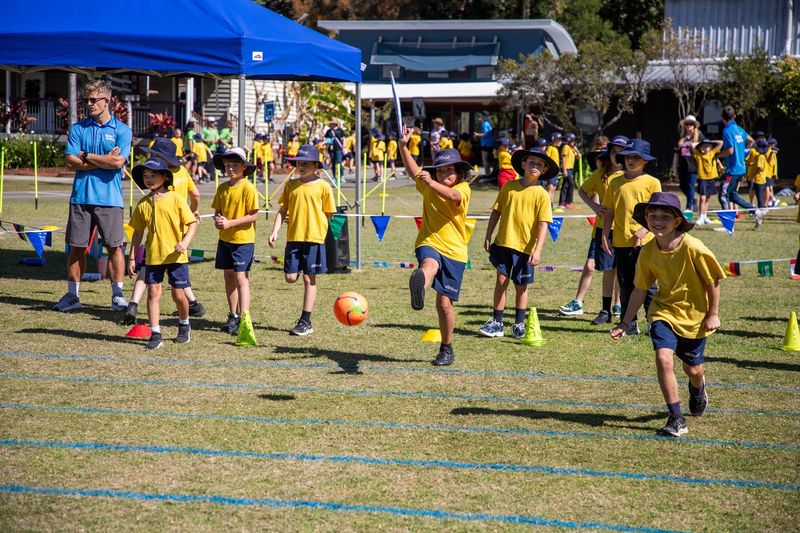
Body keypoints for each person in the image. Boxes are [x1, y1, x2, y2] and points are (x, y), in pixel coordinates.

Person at [611, 192, 724, 437]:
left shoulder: (693, 247)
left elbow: (713, 281)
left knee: (693, 370)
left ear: (677, 221)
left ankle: (698, 387)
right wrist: (625, 322)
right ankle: (676, 418)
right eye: (652, 216)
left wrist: (713, 314)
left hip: (694, 316)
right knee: (663, 358)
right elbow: (640, 289)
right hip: (663, 311)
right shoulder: (647, 251)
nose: (657, 221)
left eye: (665, 216)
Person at [54, 80, 132, 313]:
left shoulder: (122, 130)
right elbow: (71, 161)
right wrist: (104, 159)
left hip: (110, 200)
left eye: (93, 100)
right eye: (86, 100)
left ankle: (118, 296)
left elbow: (117, 162)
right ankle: (72, 296)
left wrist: (86, 155)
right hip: (81, 198)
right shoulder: (78, 129)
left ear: (106, 101)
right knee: (76, 248)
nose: (88, 104)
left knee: (114, 248)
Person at [399, 129, 472, 366]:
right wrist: (403, 147)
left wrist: (430, 181)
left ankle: (446, 348)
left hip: (455, 251)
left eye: (449, 170)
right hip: (429, 241)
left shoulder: (464, 189)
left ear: (459, 172)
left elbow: (453, 196)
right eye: (439, 170)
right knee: (429, 264)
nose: (443, 174)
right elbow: (413, 172)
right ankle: (420, 286)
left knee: (444, 304)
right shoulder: (428, 185)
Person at [122, 138, 205, 324]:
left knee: (164, 273)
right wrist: (192, 211)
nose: (151, 156)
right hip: (177, 229)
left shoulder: (164, 179)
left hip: (171, 231)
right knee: (164, 274)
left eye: (154, 153)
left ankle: (135, 303)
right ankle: (191, 304)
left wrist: (189, 217)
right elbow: (196, 195)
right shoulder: (180, 172)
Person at [479, 147, 556, 339]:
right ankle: (497, 322)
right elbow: (496, 212)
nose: (535, 166)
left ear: (544, 170)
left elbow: (543, 224)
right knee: (501, 281)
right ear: (523, 164)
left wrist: (538, 250)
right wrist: (488, 235)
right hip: (503, 243)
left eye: (540, 164)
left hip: (525, 249)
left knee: (521, 286)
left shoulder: (542, 194)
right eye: (531, 162)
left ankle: (519, 324)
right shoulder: (508, 187)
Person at [127, 158, 199, 349]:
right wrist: (132, 256)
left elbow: (192, 223)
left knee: (178, 295)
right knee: (153, 293)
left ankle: (184, 324)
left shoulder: (175, 199)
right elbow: (138, 232)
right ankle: (155, 333)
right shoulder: (143, 204)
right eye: (145, 176)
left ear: (164, 177)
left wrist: (185, 242)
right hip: (153, 257)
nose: (148, 179)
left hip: (176, 256)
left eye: (153, 175)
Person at [269, 144, 336, 336]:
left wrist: (313, 222)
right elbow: (283, 210)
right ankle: (298, 269)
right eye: (299, 163)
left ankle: (305, 321)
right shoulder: (291, 185)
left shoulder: (323, 186)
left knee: (309, 278)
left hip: (314, 238)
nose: (302, 166)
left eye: (306, 163)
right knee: (290, 278)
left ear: (316, 165)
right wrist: (275, 231)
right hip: (293, 238)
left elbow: (329, 214)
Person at [601, 139, 662, 335]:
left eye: (636, 157)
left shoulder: (652, 182)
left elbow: (658, 212)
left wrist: (645, 230)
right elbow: (609, 211)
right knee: (626, 284)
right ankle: (629, 323)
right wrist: (605, 234)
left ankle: (654, 322)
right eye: (628, 156)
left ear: (645, 161)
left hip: (646, 243)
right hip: (621, 242)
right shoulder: (615, 182)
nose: (631, 160)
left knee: (648, 285)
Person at [559, 145, 622, 323]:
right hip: (602, 230)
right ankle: (581, 302)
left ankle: (618, 304)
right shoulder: (601, 173)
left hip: (623, 229)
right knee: (597, 267)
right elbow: (584, 191)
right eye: (613, 152)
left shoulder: (629, 175)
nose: (616, 156)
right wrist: (595, 207)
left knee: (619, 269)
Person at [211, 147, 260, 336]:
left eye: (235, 165)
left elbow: (253, 215)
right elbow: (218, 211)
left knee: (241, 278)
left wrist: (230, 223)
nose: (230, 168)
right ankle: (233, 315)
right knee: (228, 276)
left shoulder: (248, 187)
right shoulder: (222, 188)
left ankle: (244, 318)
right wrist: (218, 220)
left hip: (243, 241)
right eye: (227, 165)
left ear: (244, 167)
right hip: (225, 240)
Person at [718, 106, 762, 226]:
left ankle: (728, 225)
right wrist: (744, 150)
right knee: (732, 195)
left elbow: (730, 150)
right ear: (734, 116)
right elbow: (751, 141)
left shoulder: (727, 130)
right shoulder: (739, 129)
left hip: (732, 170)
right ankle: (756, 211)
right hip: (741, 169)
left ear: (722, 118)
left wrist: (717, 155)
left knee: (723, 195)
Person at [671, 115, 702, 212]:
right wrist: (674, 167)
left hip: (693, 166)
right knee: (682, 186)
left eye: (691, 124)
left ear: (694, 126)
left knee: (690, 186)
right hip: (682, 166)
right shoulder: (681, 138)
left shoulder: (699, 136)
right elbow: (676, 154)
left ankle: (688, 208)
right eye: (686, 124)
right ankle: (693, 199)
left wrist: (696, 145)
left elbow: (706, 149)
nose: (688, 126)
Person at [692, 139, 723, 225]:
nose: (706, 147)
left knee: (707, 199)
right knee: (702, 198)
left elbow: (721, 143)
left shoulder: (713, 152)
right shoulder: (698, 154)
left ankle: (705, 216)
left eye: (708, 146)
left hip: (711, 178)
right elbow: (692, 145)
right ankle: (700, 217)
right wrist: (701, 144)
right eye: (704, 146)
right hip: (703, 179)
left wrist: (710, 142)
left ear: (711, 147)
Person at [558, 133, 580, 209]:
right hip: (566, 169)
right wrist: (564, 170)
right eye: (573, 140)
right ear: (569, 140)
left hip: (570, 169)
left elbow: (578, 157)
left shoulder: (572, 148)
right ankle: (568, 202)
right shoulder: (566, 147)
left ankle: (562, 203)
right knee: (571, 184)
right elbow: (563, 158)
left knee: (565, 185)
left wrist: (576, 150)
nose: (574, 142)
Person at [544, 133, 563, 206]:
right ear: (553, 140)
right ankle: (548, 204)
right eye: (559, 140)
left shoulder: (556, 149)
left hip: (556, 171)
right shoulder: (550, 148)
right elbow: (547, 159)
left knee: (554, 187)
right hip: (551, 170)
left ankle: (551, 203)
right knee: (550, 187)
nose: (560, 141)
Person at [474, 111, 494, 177]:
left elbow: (485, 134)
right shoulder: (488, 123)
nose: (480, 117)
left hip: (486, 144)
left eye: (481, 115)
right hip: (489, 144)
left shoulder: (485, 124)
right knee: (487, 160)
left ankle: (487, 174)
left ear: (483, 116)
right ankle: (488, 174)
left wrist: (477, 134)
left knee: (485, 159)